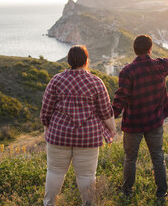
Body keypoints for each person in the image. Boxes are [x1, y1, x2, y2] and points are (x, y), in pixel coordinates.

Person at [112, 35, 168, 198]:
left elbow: (120, 99)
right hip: (154, 122)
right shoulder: (160, 65)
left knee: (130, 158)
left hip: (133, 124)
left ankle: (127, 192)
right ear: (150, 49)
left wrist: (108, 119)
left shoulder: (127, 71)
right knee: (158, 157)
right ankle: (161, 192)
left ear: (134, 50)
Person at [40, 45, 116, 206]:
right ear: (86, 60)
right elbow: (105, 112)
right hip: (88, 137)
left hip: (59, 135)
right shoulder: (96, 82)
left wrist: (47, 127)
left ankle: (49, 204)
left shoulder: (56, 80)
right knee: (87, 176)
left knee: (55, 172)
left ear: (69, 61)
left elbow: (46, 110)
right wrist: (113, 128)